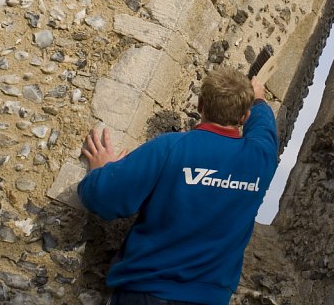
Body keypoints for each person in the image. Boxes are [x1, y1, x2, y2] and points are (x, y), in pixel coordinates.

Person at [78, 66, 278, 305]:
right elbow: (264, 129)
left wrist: (101, 171)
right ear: (244, 117)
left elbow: (103, 198)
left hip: (146, 293)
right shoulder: (260, 159)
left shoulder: (171, 147)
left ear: (200, 104)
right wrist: (258, 100)